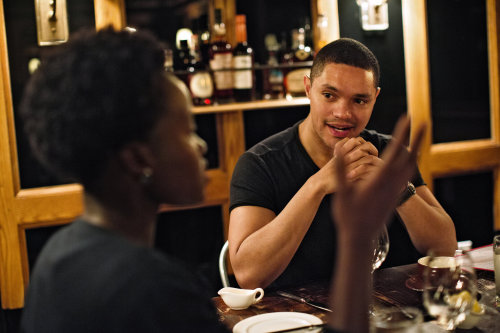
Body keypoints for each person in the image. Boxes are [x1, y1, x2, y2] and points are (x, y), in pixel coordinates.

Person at [19, 27, 424, 333]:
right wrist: (355, 241)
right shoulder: (155, 291)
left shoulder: (61, 254)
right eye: (185, 129)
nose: (200, 147)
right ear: (138, 157)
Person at [228, 38, 456, 290]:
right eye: (329, 95)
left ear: (375, 98)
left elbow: (445, 248)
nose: (343, 113)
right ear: (308, 88)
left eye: (359, 100)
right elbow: (248, 275)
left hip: (387, 312)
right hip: (296, 319)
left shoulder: (390, 152)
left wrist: (398, 189)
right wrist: (317, 185)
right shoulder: (260, 164)